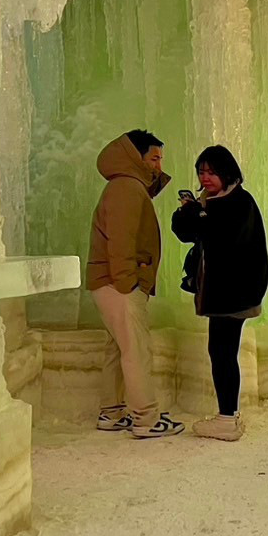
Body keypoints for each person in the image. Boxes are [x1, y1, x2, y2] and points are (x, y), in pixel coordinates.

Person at [87, 129, 185, 440]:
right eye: (154, 158)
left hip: (109, 281)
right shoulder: (127, 188)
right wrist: (131, 283)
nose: (159, 165)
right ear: (136, 157)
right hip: (119, 284)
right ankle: (146, 417)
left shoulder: (124, 186)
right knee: (135, 350)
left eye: (161, 159)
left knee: (118, 349)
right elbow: (121, 240)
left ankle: (112, 412)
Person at [170, 146, 268, 441]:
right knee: (222, 351)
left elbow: (216, 235)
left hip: (233, 293)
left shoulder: (238, 202)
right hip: (229, 293)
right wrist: (193, 210)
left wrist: (196, 211)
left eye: (211, 172)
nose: (205, 177)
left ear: (227, 173)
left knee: (222, 352)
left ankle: (227, 418)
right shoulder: (215, 202)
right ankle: (229, 415)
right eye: (202, 172)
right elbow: (186, 232)